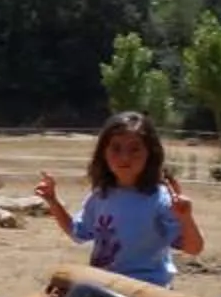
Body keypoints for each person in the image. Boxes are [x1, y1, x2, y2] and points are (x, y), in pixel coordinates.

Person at [36, 110, 203, 287]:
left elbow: (193, 248)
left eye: (135, 149)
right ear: (104, 153)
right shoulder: (100, 196)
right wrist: (52, 201)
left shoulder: (160, 200)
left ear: (150, 153)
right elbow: (77, 232)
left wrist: (186, 218)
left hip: (147, 289)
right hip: (105, 285)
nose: (125, 157)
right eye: (116, 148)